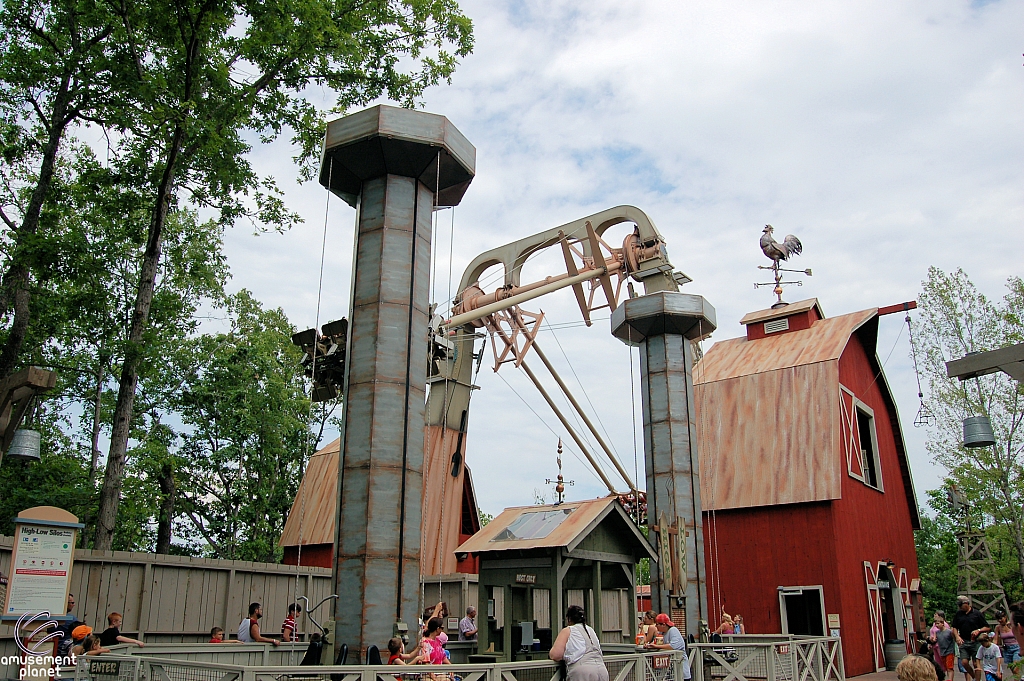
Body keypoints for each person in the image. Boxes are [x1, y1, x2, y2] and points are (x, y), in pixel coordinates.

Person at [549, 605, 609, 681]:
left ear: (569, 619)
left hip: (582, 672)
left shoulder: (568, 630)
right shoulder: (591, 630)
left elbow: (556, 655)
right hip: (602, 670)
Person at [953, 596, 991, 681]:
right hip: (964, 641)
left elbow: (987, 627)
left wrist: (978, 630)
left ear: (966, 604)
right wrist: (957, 636)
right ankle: (974, 677)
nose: (959, 607)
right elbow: (954, 627)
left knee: (975, 663)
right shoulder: (959, 614)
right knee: (964, 662)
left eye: (961, 605)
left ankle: (978, 679)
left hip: (976, 641)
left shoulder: (977, 613)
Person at [646, 614, 692, 681]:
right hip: (670, 673)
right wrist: (649, 645)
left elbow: (673, 646)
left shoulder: (673, 630)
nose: (656, 626)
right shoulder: (662, 633)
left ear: (663, 624)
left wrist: (656, 646)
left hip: (681, 672)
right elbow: (655, 642)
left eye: (657, 624)